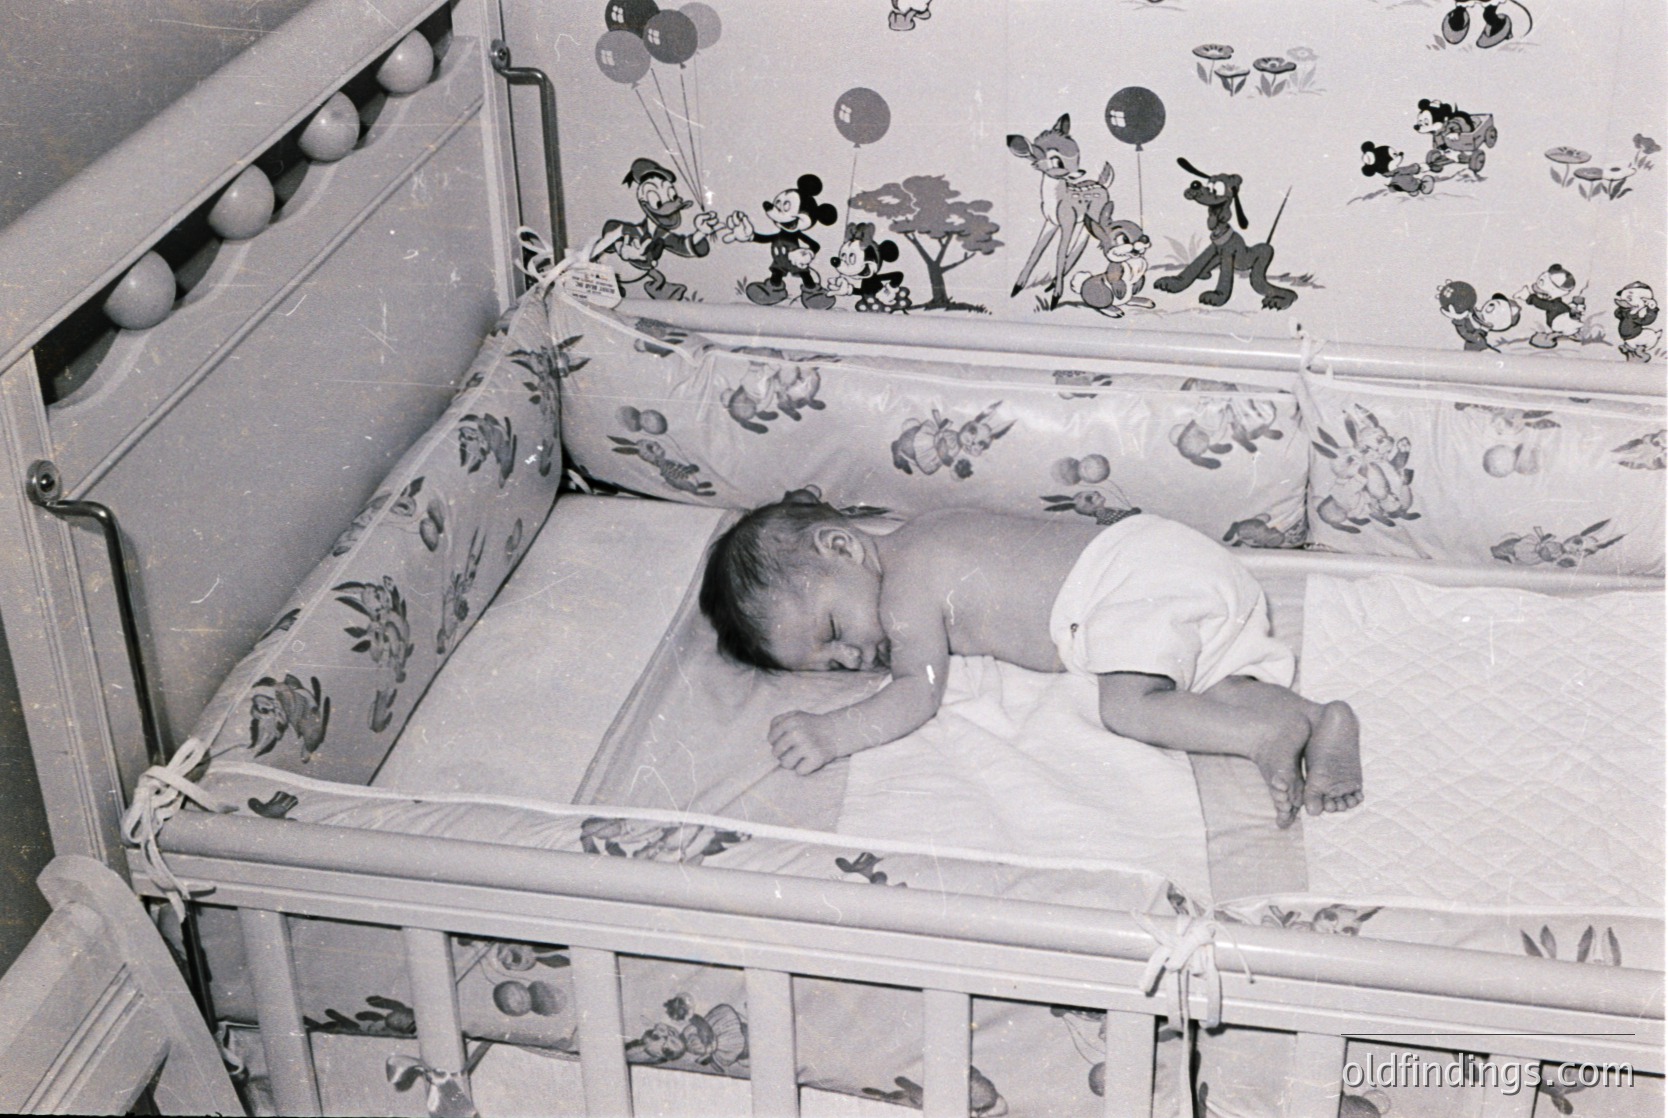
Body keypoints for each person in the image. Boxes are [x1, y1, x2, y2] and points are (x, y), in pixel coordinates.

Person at [698, 492, 1362, 827]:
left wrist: (833, 731)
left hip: (1126, 578)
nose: (852, 655)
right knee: (1212, 683)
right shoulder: (930, 528)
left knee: (1127, 705)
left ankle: (1260, 738)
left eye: (834, 628)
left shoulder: (903, 589)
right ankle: (1309, 720)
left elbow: (915, 691)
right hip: (1176, 564)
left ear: (842, 546)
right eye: (835, 666)